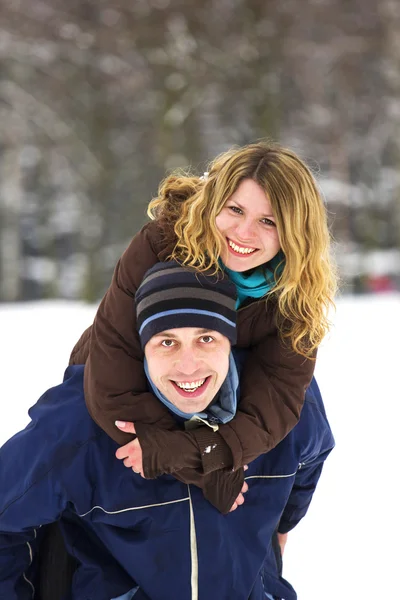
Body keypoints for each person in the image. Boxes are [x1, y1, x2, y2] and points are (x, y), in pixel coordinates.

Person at [0, 262, 334, 600]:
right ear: (141, 345)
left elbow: (313, 453)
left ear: (230, 342)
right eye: (167, 342)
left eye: (206, 338)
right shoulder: (81, 423)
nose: (188, 365)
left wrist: (282, 529)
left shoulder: (280, 405)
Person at [69, 141, 337, 513]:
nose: (244, 233)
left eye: (268, 221)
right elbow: (113, 380)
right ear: (215, 203)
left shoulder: (295, 288)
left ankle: (276, 532)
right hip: (126, 376)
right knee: (66, 423)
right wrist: (205, 470)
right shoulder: (161, 243)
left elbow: (277, 398)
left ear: (295, 232)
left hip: (218, 383)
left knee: (309, 410)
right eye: (235, 209)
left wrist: (210, 450)